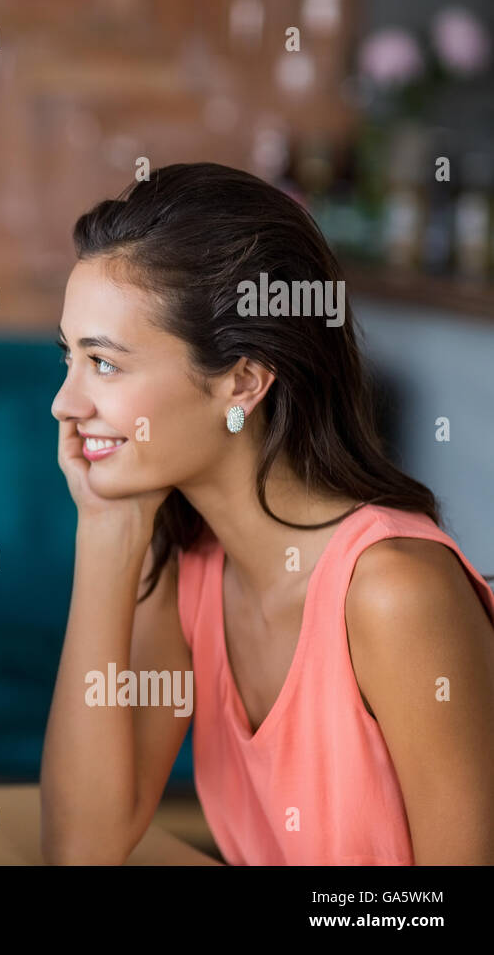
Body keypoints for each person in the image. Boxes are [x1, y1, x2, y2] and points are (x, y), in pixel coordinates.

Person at [40, 163, 494, 865]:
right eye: (69, 358)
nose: (64, 405)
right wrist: (104, 528)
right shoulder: (186, 569)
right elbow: (84, 846)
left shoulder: (393, 593)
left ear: (242, 382)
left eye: (104, 364)